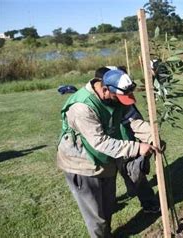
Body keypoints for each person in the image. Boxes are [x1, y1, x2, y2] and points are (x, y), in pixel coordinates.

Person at [57, 69, 157, 237]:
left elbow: (133, 121)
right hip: (82, 164)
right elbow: (99, 142)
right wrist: (137, 148)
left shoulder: (115, 97)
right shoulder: (82, 107)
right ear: (105, 89)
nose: (121, 102)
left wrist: (152, 136)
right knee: (97, 216)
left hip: (105, 161)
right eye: (118, 98)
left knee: (108, 207)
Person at [94, 66, 159, 214]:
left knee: (134, 174)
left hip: (125, 144)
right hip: (102, 150)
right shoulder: (93, 104)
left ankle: (149, 203)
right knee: (105, 181)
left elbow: (134, 121)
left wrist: (151, 136)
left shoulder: (120, 98)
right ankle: (108, 205)